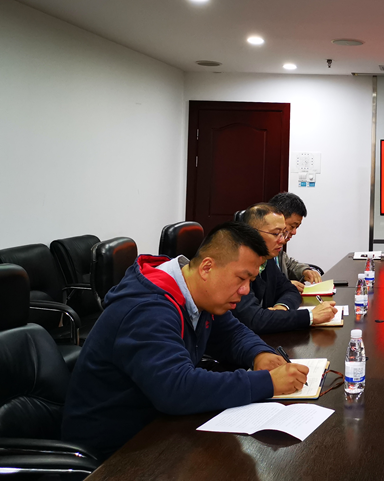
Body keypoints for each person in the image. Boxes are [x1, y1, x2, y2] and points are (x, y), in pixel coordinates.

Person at [62, 222, 310, 460]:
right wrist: (267, 382)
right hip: (113, 451)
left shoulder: (198, 291)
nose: (245, 290)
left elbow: (231, 333)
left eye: (250, 281)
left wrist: (259, 354)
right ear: (207, 268)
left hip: (158, 429)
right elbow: (176, 388)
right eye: (241, 278)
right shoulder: (148, 310)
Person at [234, 203, 338, 332]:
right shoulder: (236, 267)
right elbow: (254, 320)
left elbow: (290, 290)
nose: (282, 240)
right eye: (276, 233)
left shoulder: (267, 260)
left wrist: (281, 308)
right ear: (252, 235)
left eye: (283, 233)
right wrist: (310, 316)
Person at [269, 191, 323, 290]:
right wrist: (284, 286)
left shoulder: (278, 246)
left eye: (296, 227)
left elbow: (289, 265)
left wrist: (304, 271)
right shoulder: (259, 250)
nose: (294, 232)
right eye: (292, 226)